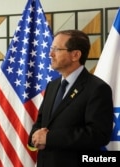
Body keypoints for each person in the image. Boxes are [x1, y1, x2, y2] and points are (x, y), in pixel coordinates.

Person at [28, 30, 113, 167]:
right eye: (51, 48)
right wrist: (35, 138)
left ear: (75, 55)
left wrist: (50, 138)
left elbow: (98, 135)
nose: (51, 54)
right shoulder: (52, 86)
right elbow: (41, 122)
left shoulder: (97, 88)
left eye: (57, 49)